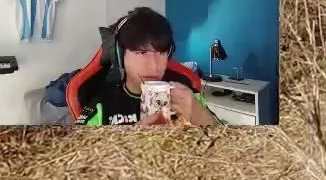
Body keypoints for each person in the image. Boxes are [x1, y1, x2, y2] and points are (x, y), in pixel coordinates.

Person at [75, 7, 219, 126]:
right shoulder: (102, 106)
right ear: (120, 54)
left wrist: (198, 114)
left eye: (161, 52)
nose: (154, 65)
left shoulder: (186, 94)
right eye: (142, 52)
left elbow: (223, 140)